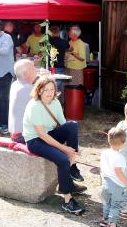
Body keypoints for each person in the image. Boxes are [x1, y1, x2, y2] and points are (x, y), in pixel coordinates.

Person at [23, 76, 86, 215]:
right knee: (62, 159)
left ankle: (73, 167)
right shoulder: (34, 106)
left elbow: (63, 126)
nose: (49, 92)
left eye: (52, 89)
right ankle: (68, 201)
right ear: (39, 91)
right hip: (35, 141)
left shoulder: (55, 102)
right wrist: (65, 149)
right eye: (45, 90)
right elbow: (42, 135)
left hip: (50, 134)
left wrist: (73, 150)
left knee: (73, 125)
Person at [99, 127, 127, 227]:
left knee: (107, 203)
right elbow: (119, 172)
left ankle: (105, 220)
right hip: (116, 186)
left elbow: (101, 168)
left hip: (105, 183)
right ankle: (112, 225)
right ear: (123, 143)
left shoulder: (104, 153)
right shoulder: (119, 157)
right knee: (116, 205)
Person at [7, 58, 36, 142]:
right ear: (26, 73)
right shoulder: (28, 89)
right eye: (33, 68)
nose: (35, 70)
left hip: (16, 133)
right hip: (23, 136)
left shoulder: (15, 84)